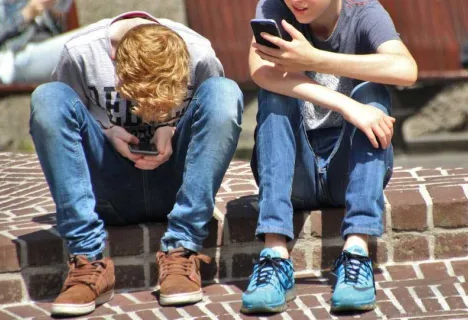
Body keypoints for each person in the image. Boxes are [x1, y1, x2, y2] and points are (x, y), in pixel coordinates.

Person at [29, 11, 243, 317]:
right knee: (48, 97)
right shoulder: (81, 53)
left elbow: (210, 120)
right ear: (114, 61)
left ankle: (182, 249)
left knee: (224, 92)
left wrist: (170, 127)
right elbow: (65, 123)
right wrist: (106, 130)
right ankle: (88, 262)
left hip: (177, 183)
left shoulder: (199, 52)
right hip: (108, 186)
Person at [241, 0, 417, 314]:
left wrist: (316, 59)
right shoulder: (273, 9)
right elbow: (260, 72)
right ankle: (274, 258)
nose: (296, 0)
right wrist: (348, 106)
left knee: (373, 95)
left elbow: (405, 70)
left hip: (347, 171)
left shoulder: (363, 11)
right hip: (296, 172)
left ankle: (356, 254)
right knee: (273, 94)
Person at [0, 0, 75, 151]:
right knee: (83, 44)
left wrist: (53, 13)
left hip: (38, 52)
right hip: (5, 58)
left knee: (96, 37)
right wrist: (26, 14)